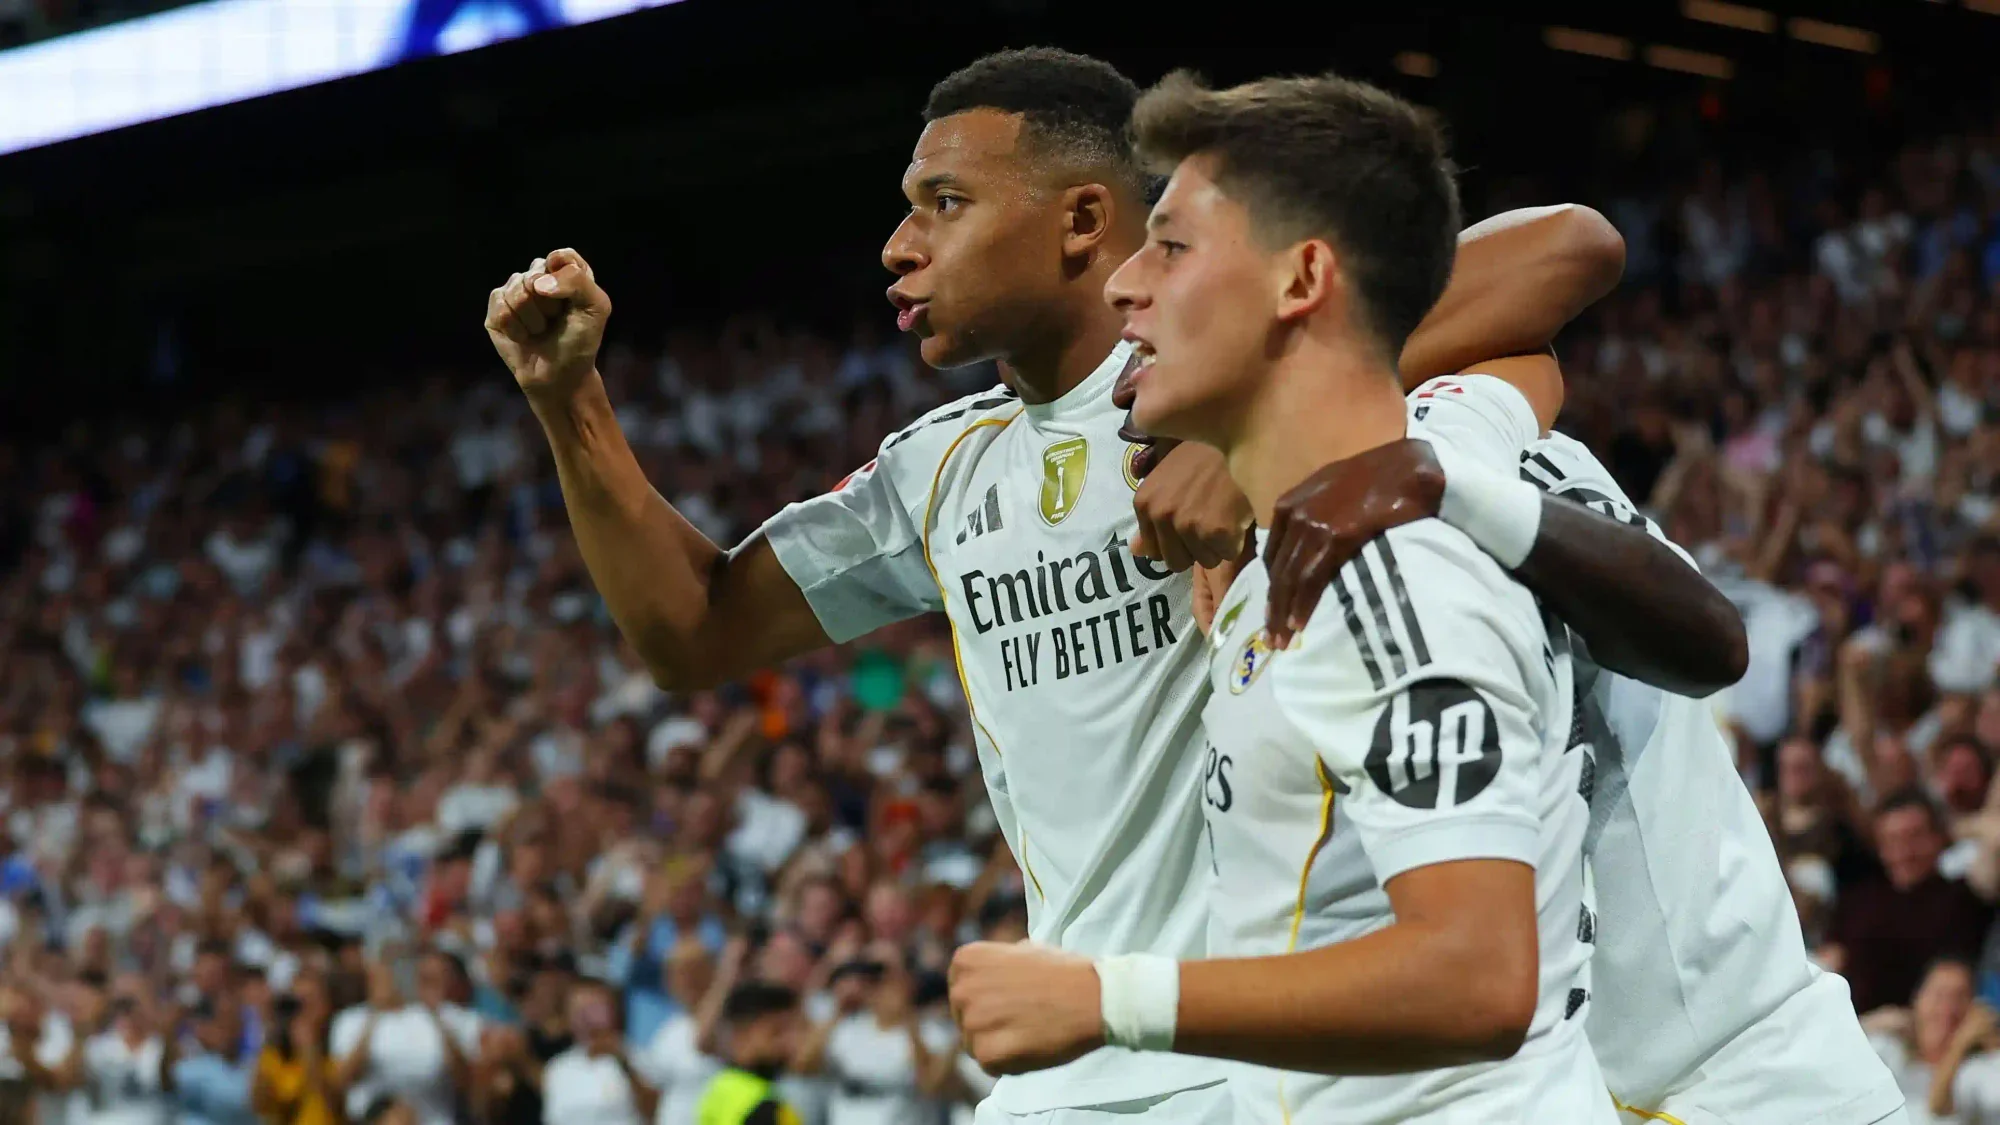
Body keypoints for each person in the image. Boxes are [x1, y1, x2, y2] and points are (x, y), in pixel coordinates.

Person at [483, 45, 1621, 1125]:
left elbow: (1566, 249)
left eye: (944, 203)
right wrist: (570, 401)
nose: (897, 245)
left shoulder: (1233, 369)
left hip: (1251, 1057)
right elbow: (694, 633)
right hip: (1062, 1063)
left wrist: (1246, 432)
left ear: (1082, 220)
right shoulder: (939, 470)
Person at [951, 69, 1623, 1123]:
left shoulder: (1389, 578)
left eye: (1171, 248)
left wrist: (1108, 999)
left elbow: (1479, 978)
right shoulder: (1281, 565)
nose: (1125, 286)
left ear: (1300, 279)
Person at [1829, 790, 1995, 1016]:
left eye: (1915, 837)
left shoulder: (1966, 897)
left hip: (1941, 1024)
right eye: (1892, 841)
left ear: (1938, 838)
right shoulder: (1857, 901)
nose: (1904, 852)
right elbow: (1829, 961)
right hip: (1862, 1024)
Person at [329, 954, 480, 1125]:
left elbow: (465, 1082)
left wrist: (435, 1016)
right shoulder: (350, 1020)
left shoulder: (449, 1016)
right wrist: (374, 1016)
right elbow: (341, 1081)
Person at [539, 978, 659, 1125]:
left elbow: (656, 1113)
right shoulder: (556, 1069)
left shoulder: (638, 1057)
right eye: (578, 1012)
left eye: (594, 1009)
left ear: (613, 1011)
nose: (586, 1019)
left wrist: (623, 1064)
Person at [696, 983, 803, 1125]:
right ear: (741, 1035)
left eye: (793, 1031)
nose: (789, 1043)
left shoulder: (717, 1089)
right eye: (776, 1032)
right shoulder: (767, 1108)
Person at [251, 987, 339, 1125]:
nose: (300, 1015)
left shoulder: (336, 1048)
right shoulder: (274, 1056)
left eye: (309, 1004)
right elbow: (260, 1105)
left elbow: (332, 1102)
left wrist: (309, 1049)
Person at [172, 1001, 256, 1125]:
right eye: (222, 1028)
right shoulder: (192, 1067)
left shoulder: (250, 1069)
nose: (228, 1035)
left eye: (233, 1028)